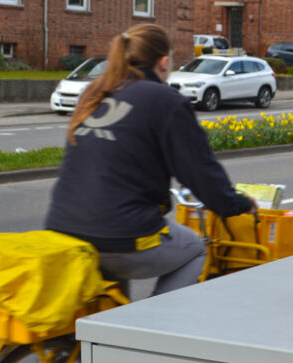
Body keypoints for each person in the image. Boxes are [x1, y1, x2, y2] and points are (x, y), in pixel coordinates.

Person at [45, 23, 255, 297]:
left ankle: (113, 329)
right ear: (164, 62)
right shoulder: (165, 100)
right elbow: (199, 172)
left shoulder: (95, 92)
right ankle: (151, 326)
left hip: (63, 227)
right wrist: (236, 204)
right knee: (193, 250)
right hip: (121, 235)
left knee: (114, 276)